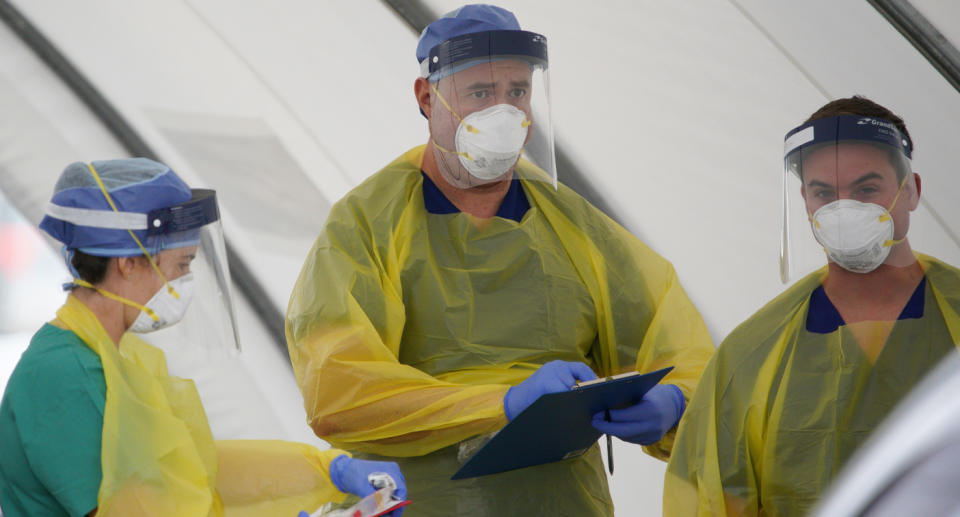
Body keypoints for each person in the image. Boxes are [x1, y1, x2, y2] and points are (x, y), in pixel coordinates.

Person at [285, 4, 715, 515]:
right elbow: (341, 394)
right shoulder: (366, 225)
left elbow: (675, 340)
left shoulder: (574, 226)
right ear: (428, 98)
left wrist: (675, 402)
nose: (504, 114)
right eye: (481, 94)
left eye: (517, 92)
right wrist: (503, 404)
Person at [0, 158, 406, 517]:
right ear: (127, 263)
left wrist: (328, 471)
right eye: (182, 264)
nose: (185, 281)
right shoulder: (61, 375)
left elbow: (195, 473)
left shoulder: (112, 356)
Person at [663, 96, 960, 516]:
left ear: (911, 190)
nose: (843, 210)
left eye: (866, 188)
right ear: (805, 200)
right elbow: (707, 499)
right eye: (824, 192)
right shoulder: (750, 357)